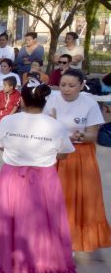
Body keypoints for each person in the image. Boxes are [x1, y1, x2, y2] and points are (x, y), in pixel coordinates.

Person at [0, 85, 80, 273]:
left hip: (12, 178)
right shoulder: (55, 125)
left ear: (21, 100)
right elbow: (63, 154)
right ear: (45, 101)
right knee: (45, 229)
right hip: (44, 180)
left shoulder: (8, 121)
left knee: (10, 226)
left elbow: (0, 146)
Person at [45, 69, 111, 252]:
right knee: (52, 197)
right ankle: (50, 237)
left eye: (71, 86)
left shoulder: (90, 104)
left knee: (76, 198)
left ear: (81, 86)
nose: (66, 89)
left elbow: (92, 135)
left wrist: (81, 136)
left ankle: (71, 241)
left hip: (79, 155)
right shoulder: (52, 100)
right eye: (63, 85)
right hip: (54, 153)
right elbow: (44, 127)